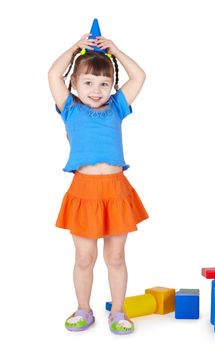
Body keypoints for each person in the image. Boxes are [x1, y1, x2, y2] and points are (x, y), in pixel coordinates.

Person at [48, 19, 149, 335]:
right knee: (84, 257)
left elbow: (140, 76)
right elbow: (53, 74)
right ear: (75, 83)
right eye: (88, 82)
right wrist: (76, 48)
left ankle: (117, 312)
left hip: (116, 190)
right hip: (84, 191)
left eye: (104, 83)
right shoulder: (70, 108)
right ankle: (83, 309)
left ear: (112, 87)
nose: (96, 90)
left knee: (116, 256)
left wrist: (115, 50)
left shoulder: (118, 106)